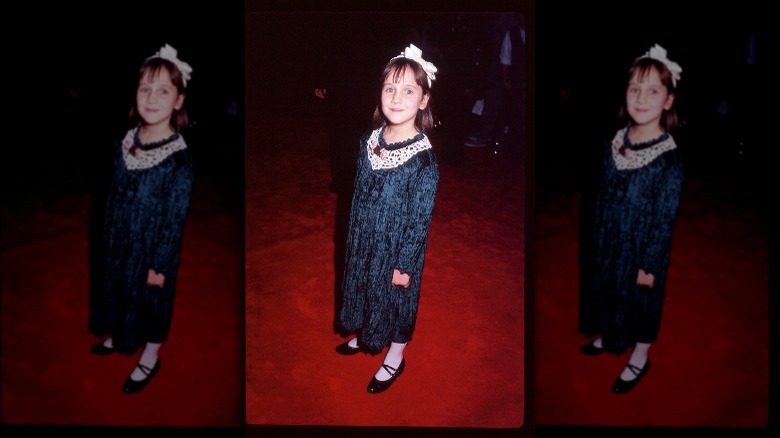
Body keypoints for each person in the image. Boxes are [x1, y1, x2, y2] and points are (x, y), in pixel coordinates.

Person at [88, 43, 194, 394]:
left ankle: (150, 354)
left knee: (150, 303)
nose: (151, 97)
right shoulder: (126, 139)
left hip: (150, 252)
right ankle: (120, 334)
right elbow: (112, 195)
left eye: (163, 90)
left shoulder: (177, 159)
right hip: (118, 242)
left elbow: (174, 221)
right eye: (144, 88)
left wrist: (159, 266)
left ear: (178, 100)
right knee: (119, 291)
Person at [578, 44, 684, 394]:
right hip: (608, 241)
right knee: (609, 290)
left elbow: (664, 220)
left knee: (639, 301)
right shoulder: (616, 140)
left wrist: (649, 265)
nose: (641, 98)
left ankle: (640, 354)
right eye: (635, 88)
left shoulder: (667, 159)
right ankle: (610, 333)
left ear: (668, 101)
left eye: (653, 90)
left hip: (641, 251)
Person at [335, 43, 439, 394]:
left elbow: (420, 221)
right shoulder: (369, 140)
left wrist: (405, 265)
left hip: (396, 251)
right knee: (365, 288)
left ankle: (396, 354)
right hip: (364, 239)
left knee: (395, 301)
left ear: (423, 100)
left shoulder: (423, 161)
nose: (396, 97)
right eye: (389, 88)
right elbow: (358, 194)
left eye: (408, 90)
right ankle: (366, 331)